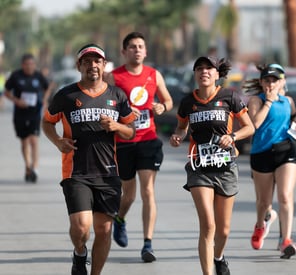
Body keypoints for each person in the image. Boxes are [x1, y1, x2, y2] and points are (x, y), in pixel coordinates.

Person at [42, 44, 136, 275]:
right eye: (87, 61)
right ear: (79, 66)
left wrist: (116, 126)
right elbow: (47, 122)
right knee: (81, 228)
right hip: (76, 172)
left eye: (97, 61)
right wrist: (57, 141)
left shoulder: (117, 95)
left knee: (104, 231)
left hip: (108, 173)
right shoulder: (66, 95)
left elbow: (130, 130)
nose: (92, 66)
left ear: (104, 65)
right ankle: (80, 252)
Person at [169, 56, 254, 275]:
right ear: (195, 74)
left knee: (223, 230)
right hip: (199, 168)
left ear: (217, 74)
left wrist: (233, 136)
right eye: (199, 68)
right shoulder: (188, 102)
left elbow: (249, 128)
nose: (204, 72)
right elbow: (181, 128)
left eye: (209, 68)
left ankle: (219, 256)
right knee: (208, 225)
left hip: (225, 167)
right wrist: (177, 137)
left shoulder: (230, 97)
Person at [105, 31, 173, 262]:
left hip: (148, 140)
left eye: (140, 46)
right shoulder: (113, 77)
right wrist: (122, 112)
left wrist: (162, 108)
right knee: (129, 195)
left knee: (148, 191)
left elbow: (168, 100)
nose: (137, 50)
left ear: (146, 51)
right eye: (132, 46)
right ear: (124, 51)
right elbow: (104, 104)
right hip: (123, 142)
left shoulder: (154, 75)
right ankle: (120, 219)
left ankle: (147, 244)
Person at [244, 63, 296, 259]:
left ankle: (286, 239)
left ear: (282, 82)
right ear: (262, 83)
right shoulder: (256, 100)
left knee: (285, 196)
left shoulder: (289, 102)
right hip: (261, 153)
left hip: (286, 151)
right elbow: (255, 124)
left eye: (275, 80)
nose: (271, 84)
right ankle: (261, 224)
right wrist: (269, 102)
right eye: (267, 80)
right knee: (263, 202)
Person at [4, 53, 51, 183]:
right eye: (27, 64)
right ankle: (28, 165)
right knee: (24, 142)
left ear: (34, 65)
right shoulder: (16, 76)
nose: (30, 67)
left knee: (34, 141)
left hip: (35, 113)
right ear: (22, 65)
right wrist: (16, 101)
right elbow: (6, 92)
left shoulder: (38, 76)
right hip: (20, 113)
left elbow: (48, 88)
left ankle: (34, 169)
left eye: (32, 64)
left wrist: (44, 101)